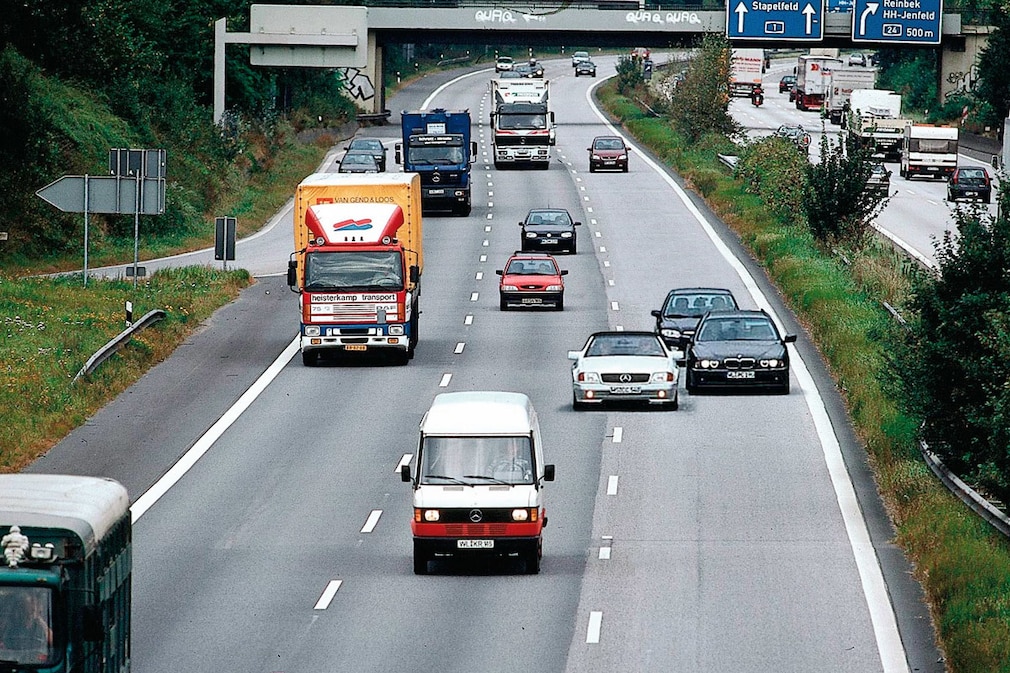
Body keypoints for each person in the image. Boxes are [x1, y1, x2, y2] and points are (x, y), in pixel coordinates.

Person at [0, 591, 53, 660]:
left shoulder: (41, 627)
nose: (29, 613)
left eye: (33, 610)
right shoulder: (8, 625)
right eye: (23, 610)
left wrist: (41, 621)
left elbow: (54, 643)